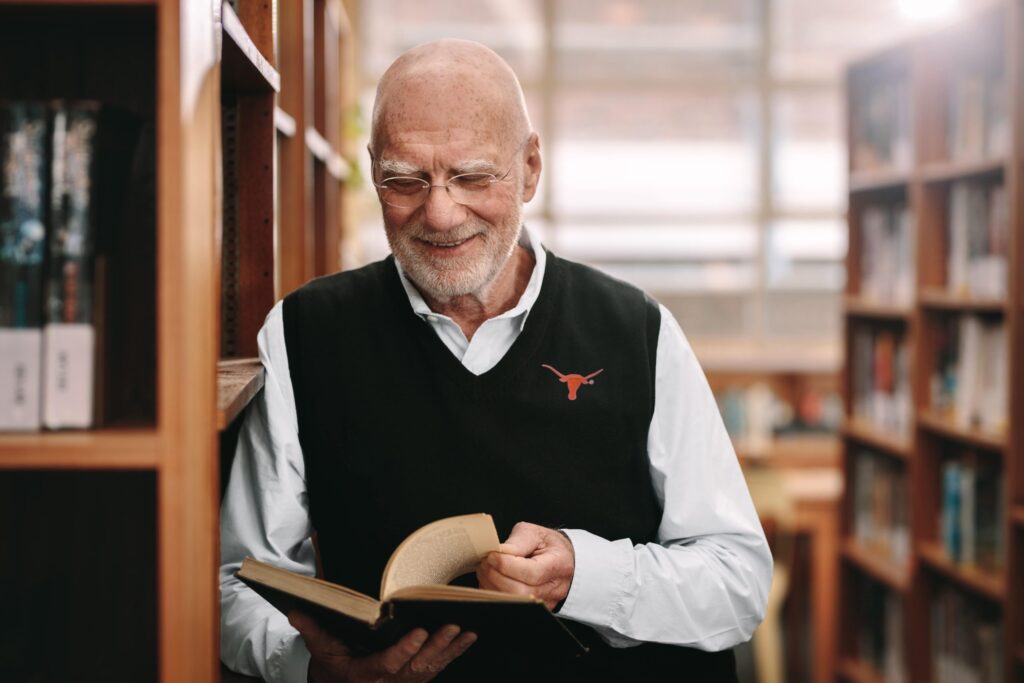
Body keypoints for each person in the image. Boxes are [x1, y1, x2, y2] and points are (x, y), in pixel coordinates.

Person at [220, 39, 772, 683]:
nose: (440, 213)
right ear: (372, 171)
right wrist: (310, 668)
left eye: (472, 176)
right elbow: (236, 583)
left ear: (531, 168)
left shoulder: (638, 330)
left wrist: (583, 576)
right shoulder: (302, 333)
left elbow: (738, 584)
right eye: (404, 180)